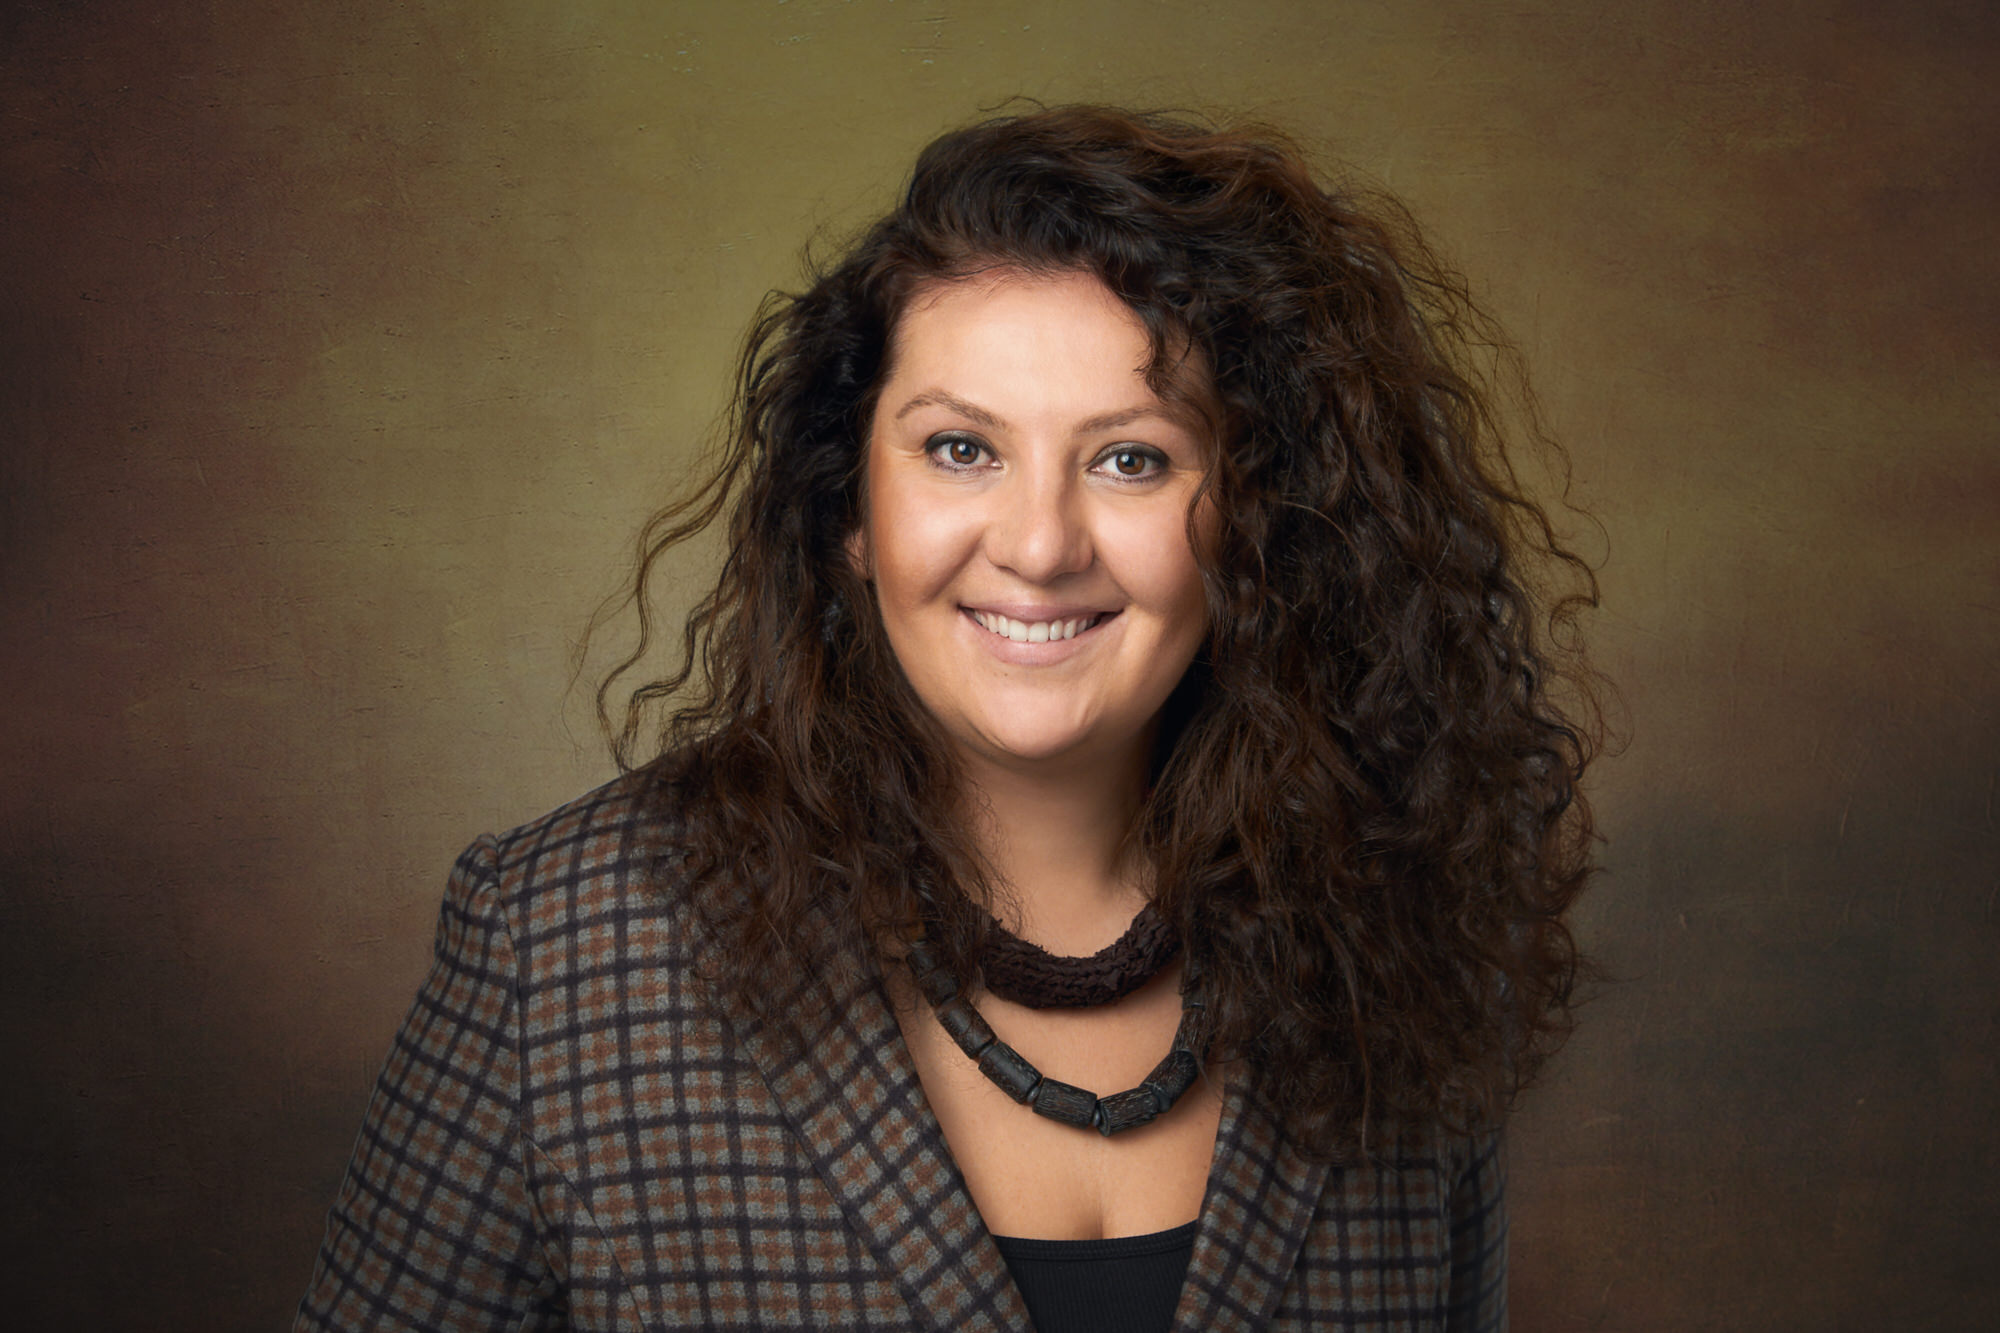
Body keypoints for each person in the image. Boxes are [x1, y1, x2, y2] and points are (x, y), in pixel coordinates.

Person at [296, 105, 1599, 1332]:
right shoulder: (563, 946)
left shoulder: (1402, 933)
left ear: (1258, 523)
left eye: (1131, 457)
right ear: (849, 509)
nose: (1038, 544)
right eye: (960, 448)